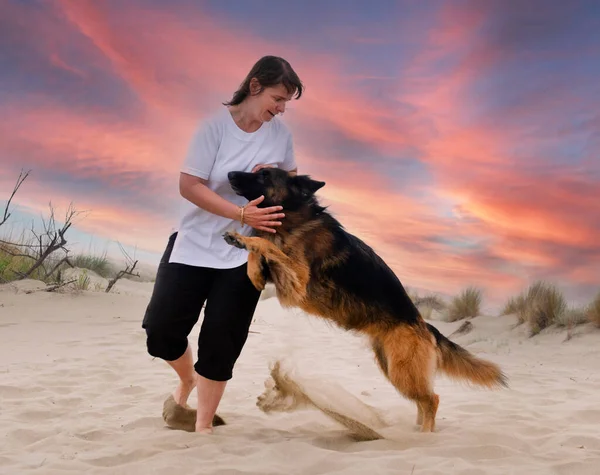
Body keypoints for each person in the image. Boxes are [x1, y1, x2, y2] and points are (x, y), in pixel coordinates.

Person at [142, 56, 303, 434]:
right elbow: (189, 185)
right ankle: (186, 381)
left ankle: (202, 427)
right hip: (194, 244)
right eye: (278, 99)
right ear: (255, 86)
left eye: (286, 104)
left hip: (245, 255)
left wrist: (273, 179)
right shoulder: (214, 127)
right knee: (161, 331)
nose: (281, 110)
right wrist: (239, 212)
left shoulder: (280, 135)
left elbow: (292, 189)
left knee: (222, 339)